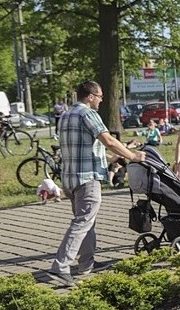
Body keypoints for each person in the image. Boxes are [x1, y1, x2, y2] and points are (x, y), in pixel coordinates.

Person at [49, 81, 145, 287]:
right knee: (83, 221)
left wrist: (110, 159)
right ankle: (61, 265)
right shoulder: (88, 114)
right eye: (100, 96)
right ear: (90, 96)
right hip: (87, 177)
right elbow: (108, 140)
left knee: (86, 221)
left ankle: (86, 264)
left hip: (70, 178)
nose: (102, 100)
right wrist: (132, 156)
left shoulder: (66, 115)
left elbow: (84, 147)